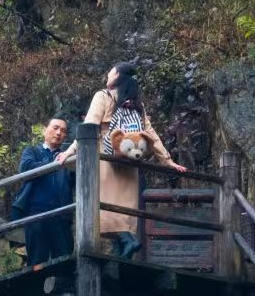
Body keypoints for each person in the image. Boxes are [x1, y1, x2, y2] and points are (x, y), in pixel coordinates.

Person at [57, 61, 184, 259]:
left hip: (106, 156)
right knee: (124, 206)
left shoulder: (103, 96)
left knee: (100, 203)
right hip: (130, 160)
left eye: (110, 73)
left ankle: (125, 241)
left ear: (116, 76)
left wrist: (70, 151)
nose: (107, 77)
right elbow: (150, 134)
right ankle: (127, 240)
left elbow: (89, 127)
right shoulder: (136, 104)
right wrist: (167, 161)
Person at [11, 116, 75, 265]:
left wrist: (67, 158)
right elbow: (26, 168)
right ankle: (36, 287)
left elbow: (76, 180)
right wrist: (53, 162)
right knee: (37, 260)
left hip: (61, 214)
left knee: (64, 259)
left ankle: (63, 287)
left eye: (63, 131)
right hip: (36, 212)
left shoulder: (68, 159)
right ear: (44, 130)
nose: (59, 133)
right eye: (55, 128)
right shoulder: (32, 151)